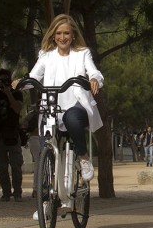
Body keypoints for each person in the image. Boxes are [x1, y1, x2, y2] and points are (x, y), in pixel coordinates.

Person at [16, 14, 103, 184]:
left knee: (71, 116)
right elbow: (33, 77)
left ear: (73, 36)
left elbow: (94, 72)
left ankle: (83, 157)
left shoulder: (82, 54)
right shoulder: (46, 56)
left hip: (77, 108)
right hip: (51, 109)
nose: (62, 37)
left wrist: (94, 80)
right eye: (58, 34)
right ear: (53, 36)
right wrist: (20, 83)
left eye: (66, 33)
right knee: (44, 154)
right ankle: (44, 205)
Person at [0, 69, 24, 201]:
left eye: (5, 80)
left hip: (13, 134)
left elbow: (17, 108)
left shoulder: (17, 93)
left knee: (16, 165)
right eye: (1, 80)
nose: (3, 82)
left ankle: (18, 192)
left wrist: (8, 93)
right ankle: (6, 192)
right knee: (1, 166)